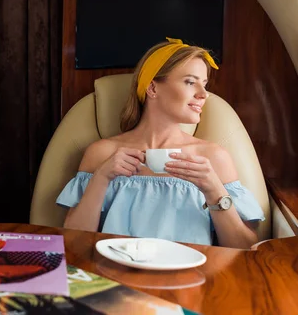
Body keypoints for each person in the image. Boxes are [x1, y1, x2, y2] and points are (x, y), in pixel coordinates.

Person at [56, 38, 264, 248]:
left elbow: (244, 248)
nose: (203, 94)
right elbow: (73, 242)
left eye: (204, 84)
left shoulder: (213, 158)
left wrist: (214, 190)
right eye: (191, 82)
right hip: (115, 274)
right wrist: (101, 177)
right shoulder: (102, 153)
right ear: (152, 88)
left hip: (191, 278)